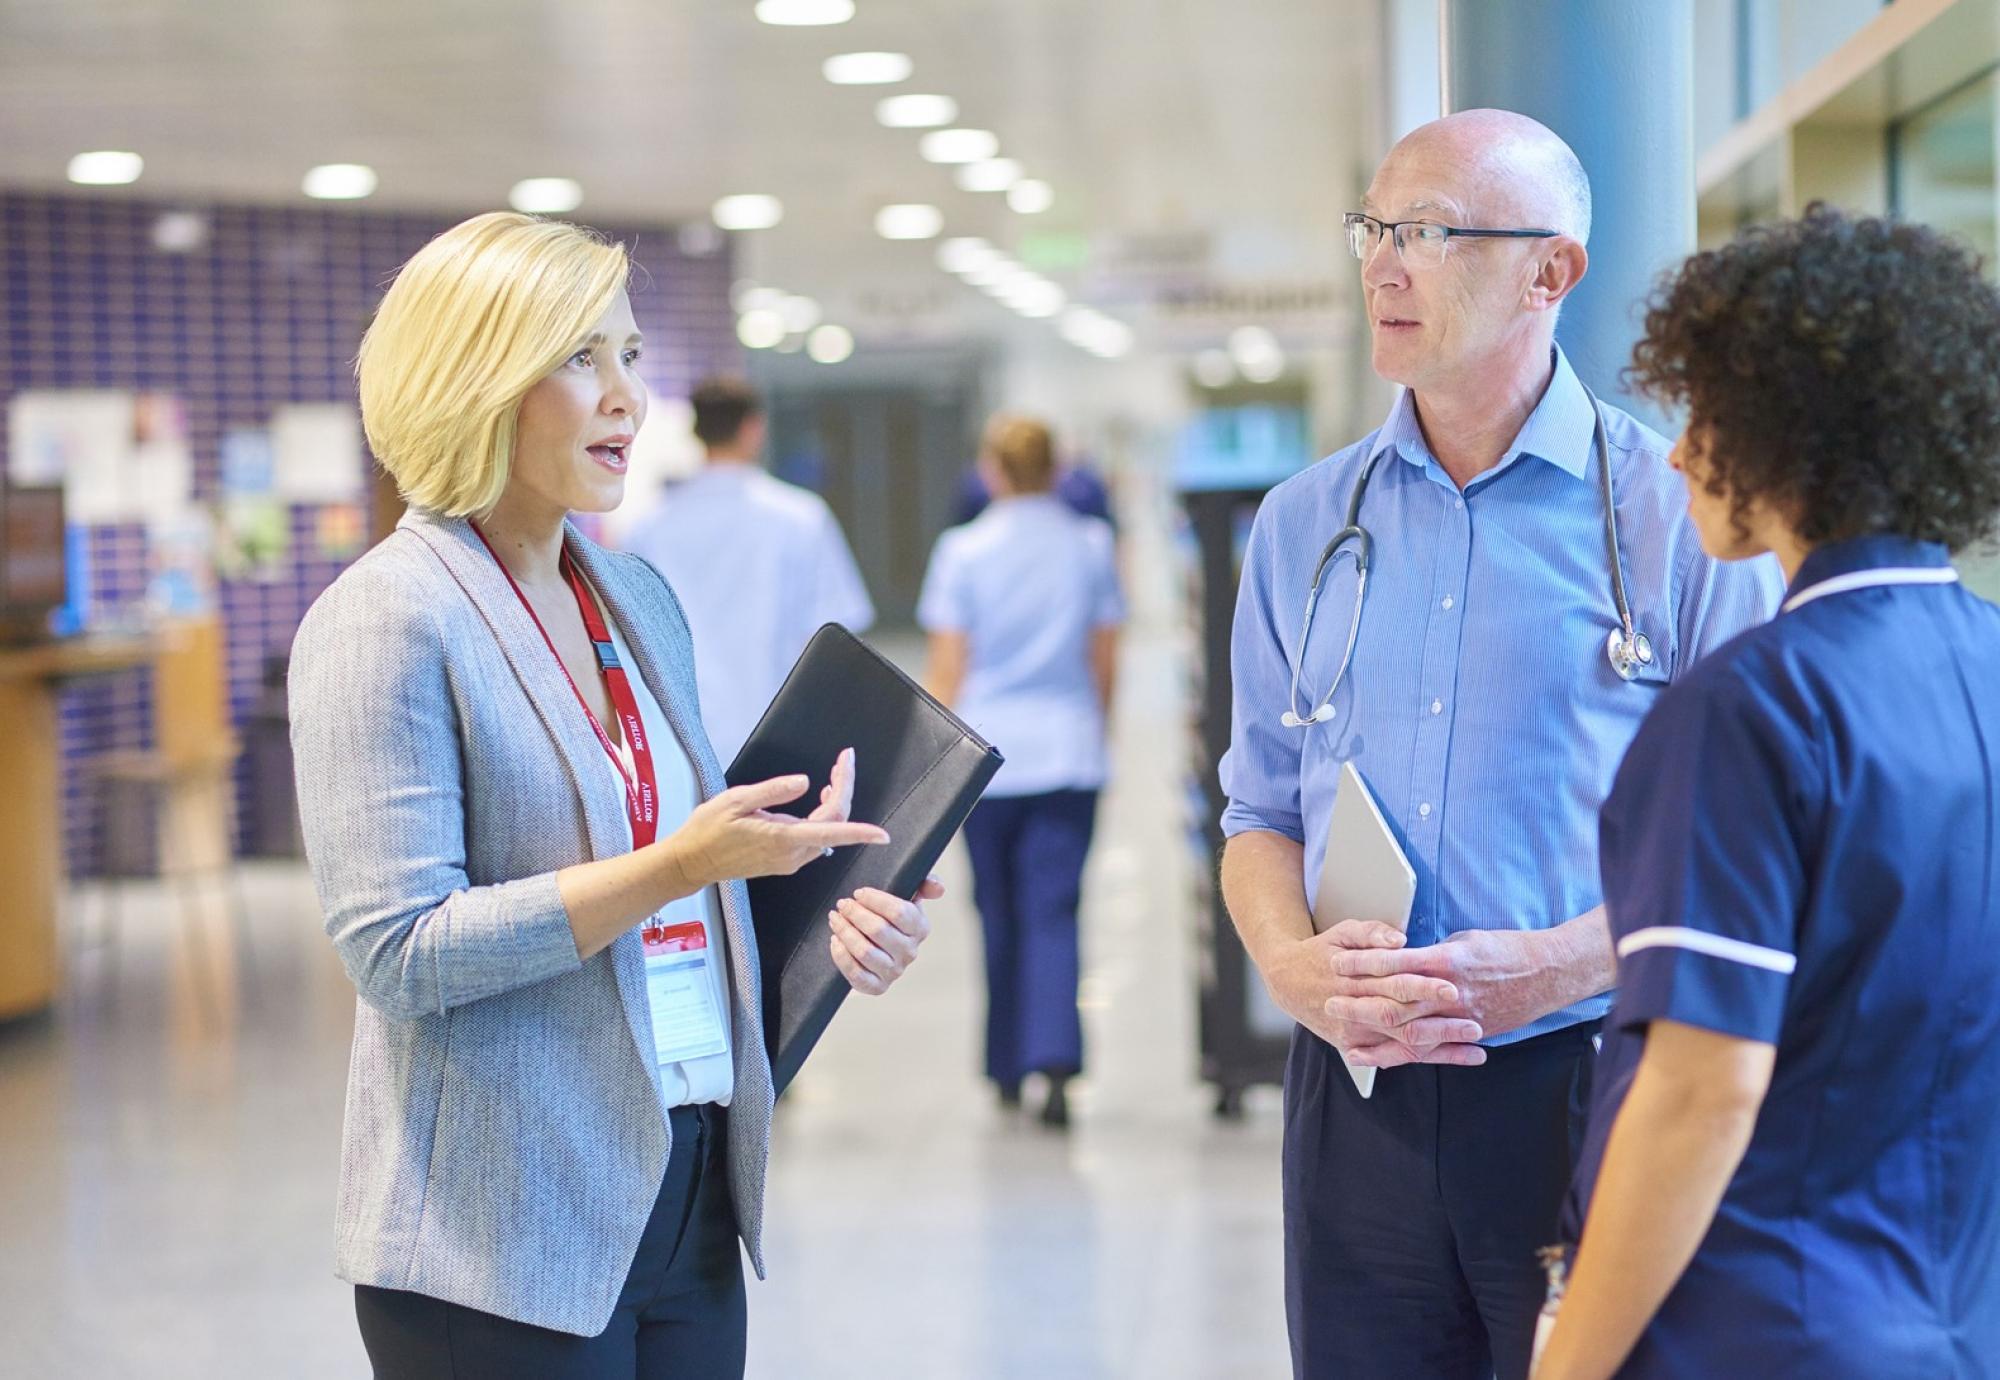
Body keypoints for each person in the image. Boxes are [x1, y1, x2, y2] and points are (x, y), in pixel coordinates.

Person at [289, 211, 940, 1379]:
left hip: (686, 1180)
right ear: (473, 384)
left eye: (630, 356)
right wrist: (680, 865)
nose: (627, 400)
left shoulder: (636, 598)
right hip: (499, 1231)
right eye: (579, 358)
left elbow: (679, 893)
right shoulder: (387, 619)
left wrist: (826, 910)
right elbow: (400, 950)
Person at [1216, 109, 1783, 1380]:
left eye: (1426, 233)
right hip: (1352, 1103)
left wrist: (1558, 963)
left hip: (1585, 1085)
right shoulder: (1302, 525)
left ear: (1549, 273)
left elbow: (1753, 852)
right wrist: (1292, 972)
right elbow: (1258, 811)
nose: (1380, 266)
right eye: (1373, 228)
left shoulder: (1680, 522)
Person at [1534, 207, 2000, 1379]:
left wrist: (1568, 1364)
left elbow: (1700, 1092)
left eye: (1704, 415)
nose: (1679, 453)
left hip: (1765, 1333)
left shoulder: (1751, 712)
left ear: (1797, 437)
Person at [919, 414, 1124, 1127]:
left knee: (997, 910)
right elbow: (1104, 658)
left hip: (988, 759)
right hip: (1068, 754)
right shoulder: (1091, 545)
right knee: (1054, 908)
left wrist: (932, 769)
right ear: (1057, 471)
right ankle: (1056, 1061)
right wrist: (1101, 733)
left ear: (991, 471)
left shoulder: (963, 552)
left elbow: (949, 666)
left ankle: (1006, 1064)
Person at [617, 376, 874, 763]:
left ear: (696, 431)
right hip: (781, 735)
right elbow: (832, 636)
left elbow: (631, 640)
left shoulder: (648, 526)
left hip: (680, 741)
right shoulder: (801, 518)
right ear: (753, 429)